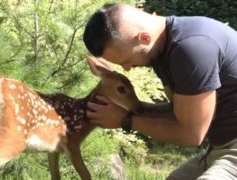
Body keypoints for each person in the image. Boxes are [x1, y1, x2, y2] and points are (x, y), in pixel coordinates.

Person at [83, 3, 237, 180]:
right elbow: (181, 112)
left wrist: (126, 121)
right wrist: (138, 109)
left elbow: (191, 135)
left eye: (127, 60)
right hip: (219, 147)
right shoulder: (162, 49)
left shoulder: (191, 48)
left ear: (144, 38)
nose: (127, 68)